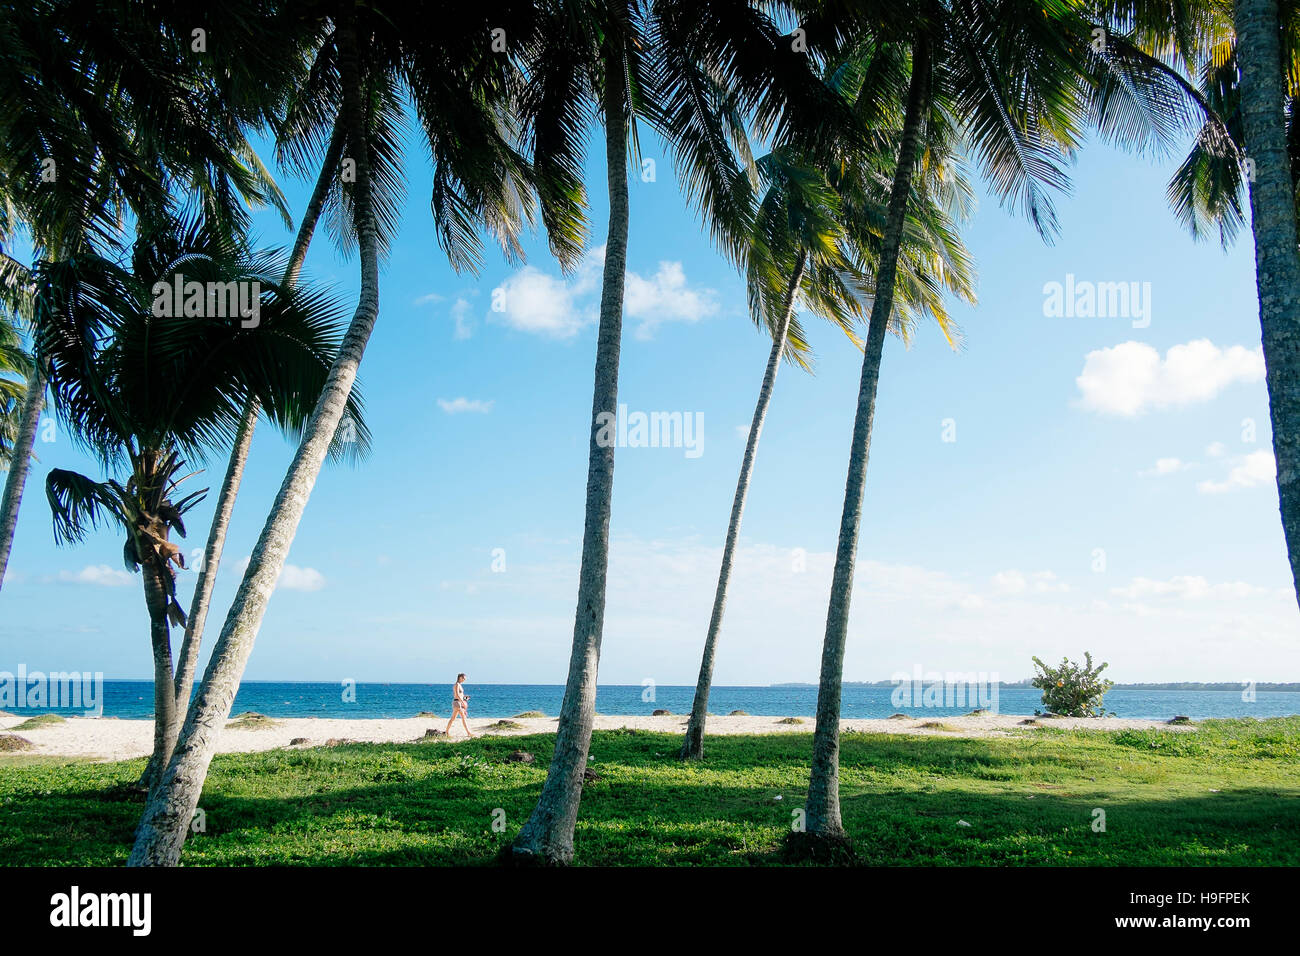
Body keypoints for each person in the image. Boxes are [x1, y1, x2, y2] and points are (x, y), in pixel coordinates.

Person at [444, 673, 474, 739]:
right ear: (460, 677)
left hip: (458, 702)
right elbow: (457, 694)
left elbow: (460, 695)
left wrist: (465, 698)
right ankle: (468, 732)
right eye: (464, 678)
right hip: (457, 702)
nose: (464, 680)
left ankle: (446, 732)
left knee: (453, 718)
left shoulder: (459, 685)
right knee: (463, 717)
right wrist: (463, 702)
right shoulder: (457, 684)